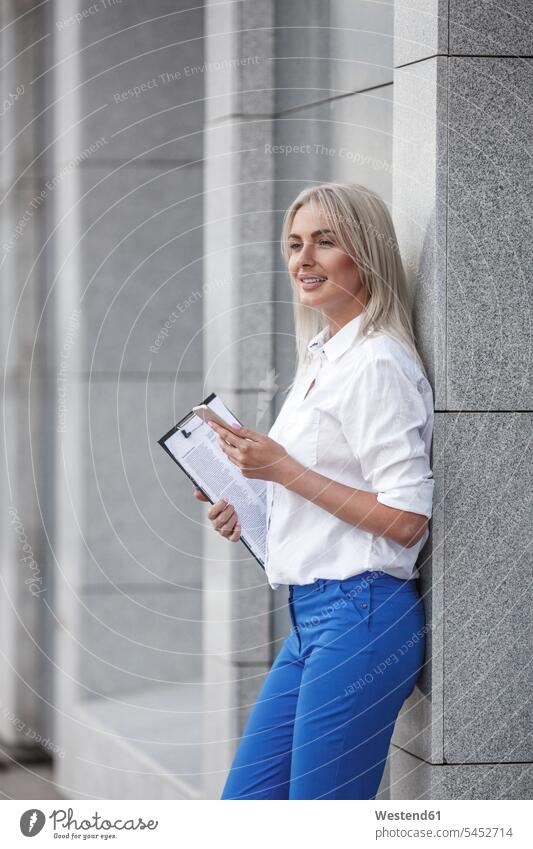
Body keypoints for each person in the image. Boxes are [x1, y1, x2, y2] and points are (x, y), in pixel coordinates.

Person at [194, 182, 434, 800]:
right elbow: (321, 489)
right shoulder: (323, 357)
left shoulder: (378, 361)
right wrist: (250, 505)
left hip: (363, 614)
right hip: (310, 619)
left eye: (326, 242)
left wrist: (283, 471)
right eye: (295, 243)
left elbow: (407, 518)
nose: (304, 259)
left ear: (367, 253)